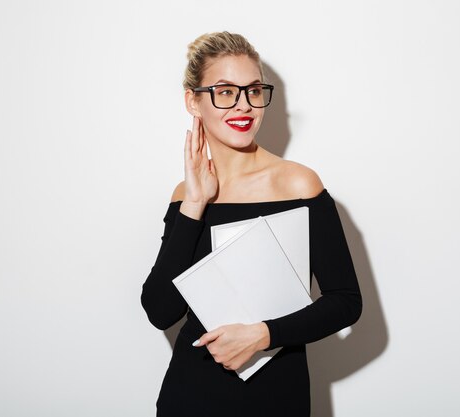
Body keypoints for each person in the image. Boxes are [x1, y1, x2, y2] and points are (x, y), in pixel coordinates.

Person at [141, 31, 362, 417]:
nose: (244, 106)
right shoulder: (186, 194)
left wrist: (264, 334)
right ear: (194, 101)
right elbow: (161, 311)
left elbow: (345, 301)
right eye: (224, 91)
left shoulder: (297, 184)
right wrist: (195, 203)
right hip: (190, 397)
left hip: (276, 398)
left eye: (254, 90)